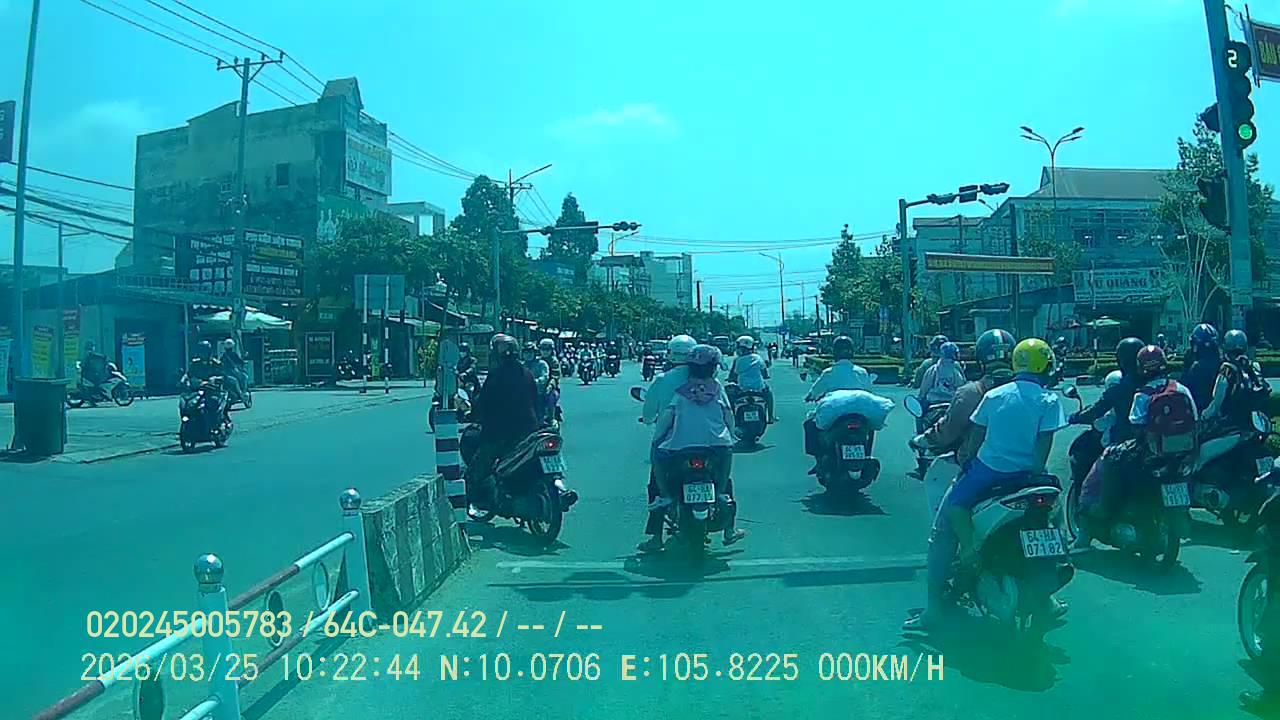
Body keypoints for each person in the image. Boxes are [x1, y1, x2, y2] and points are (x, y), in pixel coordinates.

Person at [904, 337, 1070, 632]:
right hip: (1028, 477)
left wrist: (967, 461)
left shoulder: (991, 395)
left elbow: (976, 436)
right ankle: (1048, 600)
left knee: (950, 517)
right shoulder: (1048, 399)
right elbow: (1044, 442)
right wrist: (1035, 472)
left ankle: (946, 589)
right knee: (1051, 511)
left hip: (989, 471)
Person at [650, 344, 745, 546]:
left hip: (680, 446)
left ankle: (665, 498)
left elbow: (667, 416)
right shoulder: (717, 389)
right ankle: (728, 525)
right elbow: (728, 415)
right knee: (725, 480)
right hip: (718, 446)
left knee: (657, 459)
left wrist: (658, 439)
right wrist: (731, 434)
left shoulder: (682, 391)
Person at [910, 329, 1017, 470]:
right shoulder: (1033, 394)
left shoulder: (970, 393)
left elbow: (949, 429)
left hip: (984, 466)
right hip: (1026, 466)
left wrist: (924, 439)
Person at [465, 334, 540, 514]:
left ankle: (477, 500)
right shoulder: (527, 373)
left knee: (478, 466)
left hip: (501, 432)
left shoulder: (497, 375)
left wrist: (471, 414)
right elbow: (535, 400)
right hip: (529, 429)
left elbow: (484, 401)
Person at [638, 335, 698, 552]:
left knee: (656, 483)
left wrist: (648, 420)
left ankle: (656, 537)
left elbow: (648, 413)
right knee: (722, 477)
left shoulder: (662, 379)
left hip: (669, 444)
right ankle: (729, 525)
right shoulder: (706, 379)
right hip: (705, 441)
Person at [1068, 336, 1146, 477]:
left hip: (1125, 442)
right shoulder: (1157, 382)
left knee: (1091, 484)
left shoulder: (1120, 388)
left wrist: (1074, 417)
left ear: (1121, 360)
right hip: (1155, 443)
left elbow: (1096, 410)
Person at [803, 335, 875, 473]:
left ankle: (819, 460)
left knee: (810, 425)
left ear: (834, 352)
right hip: (858, 414)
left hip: (835, 414)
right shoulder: (862, 372)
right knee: (870, 427)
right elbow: (868, 392)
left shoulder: (828, 373)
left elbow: (815, 391)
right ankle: (867, 454)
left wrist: (810, 396)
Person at [1205, 329, 1269, 427]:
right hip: (1254, 423)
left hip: (1231, 424)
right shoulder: (1254, 366)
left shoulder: (1226, 370)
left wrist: (1204, 416)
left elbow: (1217, 403)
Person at [181, 341, 229, 428]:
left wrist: (215, 379)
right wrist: (183, 380)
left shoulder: (216, 363)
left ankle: (214, 425)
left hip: (212, 391)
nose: (203, 354)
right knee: (187, 404)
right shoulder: (195, 364)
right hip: (196, 390)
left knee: (212, 404)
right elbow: (188, 374)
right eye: (201, 351)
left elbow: (224, 376)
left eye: (205, 351)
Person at [729, 335, 775, 423]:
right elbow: (764, 373)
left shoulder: (737, 360)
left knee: (730, 396)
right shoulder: (758, 358)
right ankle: (770, 417)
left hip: (742, 388)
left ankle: (732, 418)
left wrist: (731, 379)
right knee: (769, 394)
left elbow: (733, 375)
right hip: (759, 387)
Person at [1181, 323, 1221, 413]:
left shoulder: (1197, 368)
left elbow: (1185, 389)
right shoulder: (1222, 363)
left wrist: (1186, 366)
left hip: (1201, 412)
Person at [918, 342, 965, 407]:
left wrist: (920, 399)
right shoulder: (956, 370)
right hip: (951, 404)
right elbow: (961, 388)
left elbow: (923, 390)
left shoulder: (932, 370)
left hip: (933, 403)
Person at [219, 338, 249, 404]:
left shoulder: (223, 356)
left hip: (225, 373)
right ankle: (242, 393)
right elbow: (240, 362)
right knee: (244, 377)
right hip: (232, 371)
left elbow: (220, 363)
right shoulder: (234, 354)